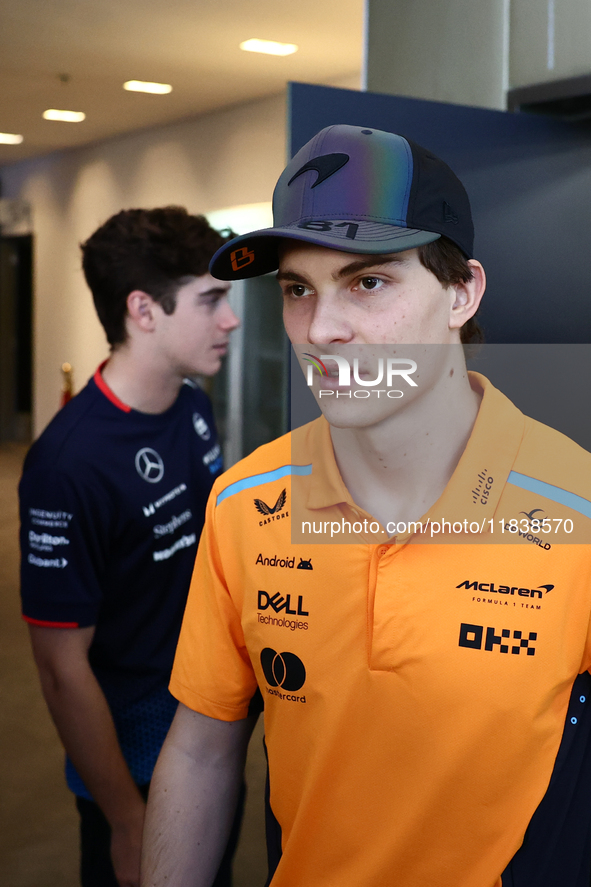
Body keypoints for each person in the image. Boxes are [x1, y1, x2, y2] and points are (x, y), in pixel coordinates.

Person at [142, 129, 591, 887]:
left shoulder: (575, 509)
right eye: (297, 289)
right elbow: (201, 746)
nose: (320, 331)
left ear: (460, 293)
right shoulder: (246, 503)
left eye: (367, 282)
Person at [19, 206, 242, 887]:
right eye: (210, 300)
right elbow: (61, 667)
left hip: (210, 729)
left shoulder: (191, 404)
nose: (229, 319)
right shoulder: (69, 462)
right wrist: (125, 817)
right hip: (137, 764)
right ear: (143, 310)